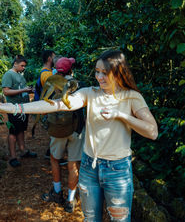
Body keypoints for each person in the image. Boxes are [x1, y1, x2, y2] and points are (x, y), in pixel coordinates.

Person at [0, 50, 158, 221]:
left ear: (118, 72)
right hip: (89, 167)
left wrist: (122, 115)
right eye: (97, 72)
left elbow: (152, 132)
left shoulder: (132, 97)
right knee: (90, 219)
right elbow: (58, 105)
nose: (99, 77)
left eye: (104, 73)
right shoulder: (90, 93)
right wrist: (14, 109)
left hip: (117, 170)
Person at [41, 57, 85, 213]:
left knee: (55, 159)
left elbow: (44, 106)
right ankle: (70, 200)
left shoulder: (52, 82)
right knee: (73, 163)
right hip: (76, 129)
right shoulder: (78, 84)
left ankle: (57, 192)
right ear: (71, 70)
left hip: (58, 128)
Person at [1, 55, 37, 167]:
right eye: (22, 65)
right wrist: (24, 89)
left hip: (23, 108)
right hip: (14, 109)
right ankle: (13, 157)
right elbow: (6, 92)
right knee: (13, 132)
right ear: (15, 63)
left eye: (24, 66)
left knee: (21, 130)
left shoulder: (20, 75)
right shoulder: (9, 74)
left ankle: (23, 151)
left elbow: (22, 89)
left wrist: (29, 90)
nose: (23, 68)